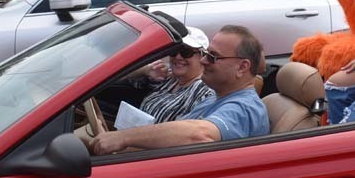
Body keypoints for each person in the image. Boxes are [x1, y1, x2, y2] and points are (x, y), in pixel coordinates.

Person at [90, 25, 269, 154]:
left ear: (242, 67)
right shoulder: (215, 97)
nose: (204, 61)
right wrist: (120, 146)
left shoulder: (244, 108)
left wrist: (123, 138)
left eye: (213, 57)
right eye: (206, 54)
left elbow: (199, 135)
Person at [132, 26, 215, 123]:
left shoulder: (203, 93)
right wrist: (147, 70)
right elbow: (120, 74)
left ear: (203, 56)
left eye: (186, 52)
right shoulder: (168, 77)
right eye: (174, 51)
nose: (178, 57)